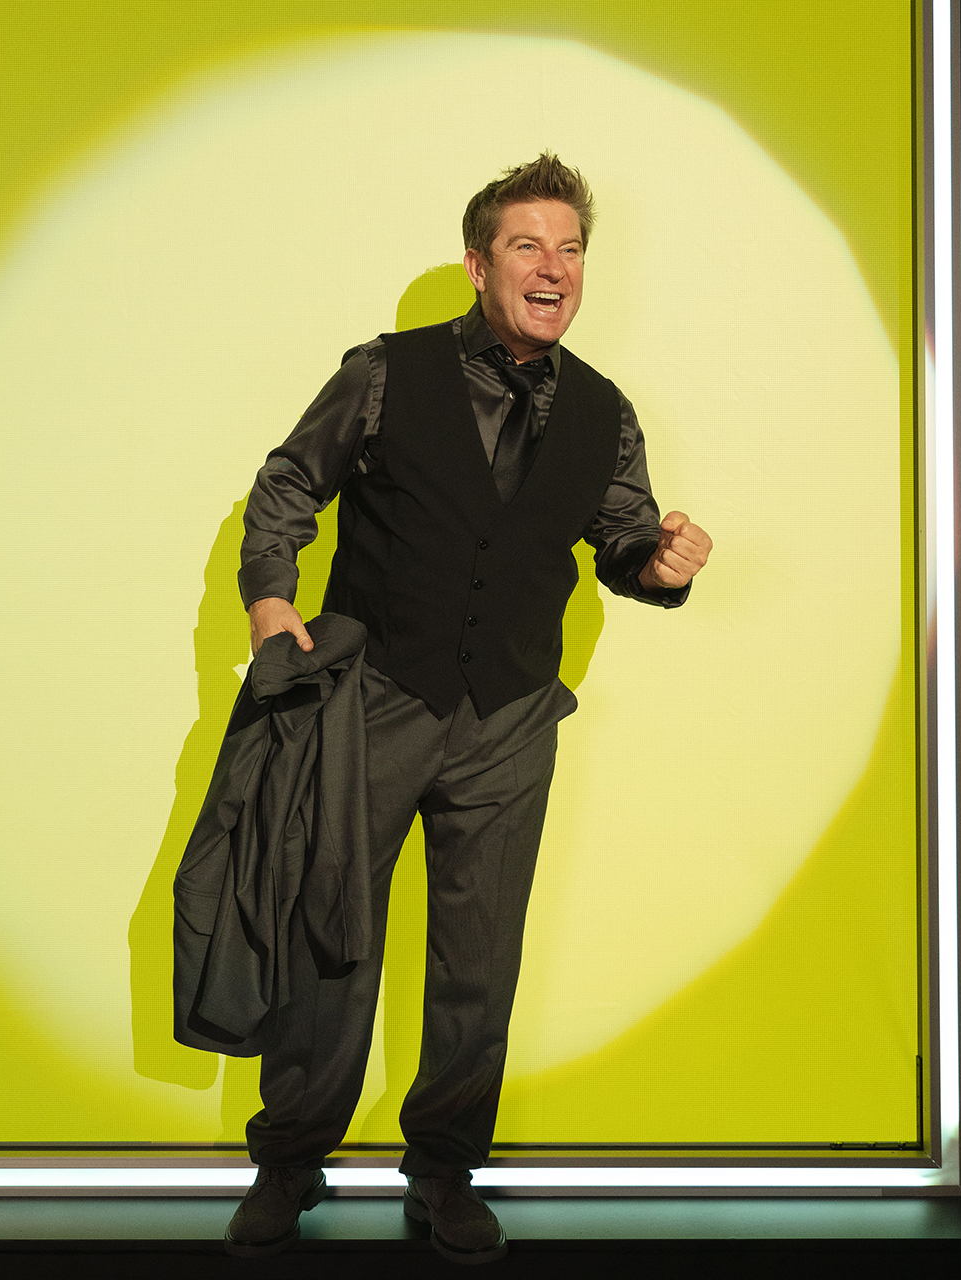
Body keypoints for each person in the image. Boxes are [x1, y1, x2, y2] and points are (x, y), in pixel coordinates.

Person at [224, 153, 712, 1263]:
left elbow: (622, 540)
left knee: (478, 961)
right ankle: (289, 1160)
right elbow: (289, 482)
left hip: (510, 715)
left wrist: (659, 564)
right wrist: (269, 595)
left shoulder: (604, 410)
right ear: (478, 265)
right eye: (527, 246)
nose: (554, 268)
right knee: (330, 935)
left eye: (571, 249)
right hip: (374, 697)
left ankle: (443, 1168)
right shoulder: (383, 372)